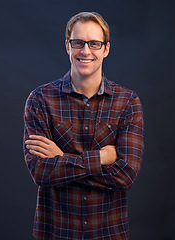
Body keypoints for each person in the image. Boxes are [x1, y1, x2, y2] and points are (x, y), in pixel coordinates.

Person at [23, 11, 144, 240]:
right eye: (78, 42)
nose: (85, 51)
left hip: (109, 233)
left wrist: (62, 159)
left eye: (94, 44)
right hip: (56, 232)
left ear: (106, 49)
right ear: (68, 46)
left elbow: (126, 175)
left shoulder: (127, 102)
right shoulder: (40, 99)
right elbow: (40, 171)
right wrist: (100, 158)